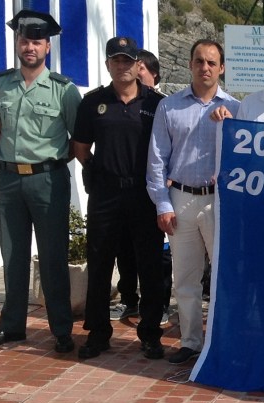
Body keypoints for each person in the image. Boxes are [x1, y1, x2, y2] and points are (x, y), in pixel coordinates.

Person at [0, 10, 82, 352]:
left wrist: (47, 164)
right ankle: (12, 327)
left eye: (37, 41)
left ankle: (62, 330)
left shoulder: (64, 90)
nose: (30, 47)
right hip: (8, 181)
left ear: (47, 47)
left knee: (53, 257)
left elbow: (76, 140)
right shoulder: (0, 85)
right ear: (17, 43)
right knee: (13, 255)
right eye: (24, 40)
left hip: (48, 181)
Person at [70, 37, 166, 360]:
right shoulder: (93, 102)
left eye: (128, 60)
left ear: (138, 64)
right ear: (108, 64)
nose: (122, 66)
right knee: (100, 265)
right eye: (116, 60)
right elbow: (81, 148)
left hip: (144, 192)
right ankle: (98, 333)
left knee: (149, 265)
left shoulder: (156, 103)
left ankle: (151, 333)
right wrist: (100, 171)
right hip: (106, 193)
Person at [147, 39, 240, 364]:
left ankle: (222, 341)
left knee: (224, 276)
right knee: (185, 278)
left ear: (222, 68)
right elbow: (157, 160)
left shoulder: (236, 109)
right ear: (190, 64)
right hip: (181, 199)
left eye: (212, 63)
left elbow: (243, 160)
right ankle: (190, 343)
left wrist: (229, 126)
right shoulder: (169, 107)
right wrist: (163, 204)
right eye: (199, 61)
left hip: (219, 204)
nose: (205, 68)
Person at [109, 48, 164, 323]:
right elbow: (82, 148)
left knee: (153, 259)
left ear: (152, 73)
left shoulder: (160, 105)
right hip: (114, 193)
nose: (134, 73)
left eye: (140, 68)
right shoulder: (102, 100)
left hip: (150, 193)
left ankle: (155, 316)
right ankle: (129, 300)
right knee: (123, 251)